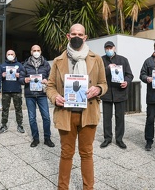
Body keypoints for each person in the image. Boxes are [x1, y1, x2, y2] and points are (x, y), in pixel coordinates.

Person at [46, 23, 108, 189]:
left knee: (86, 153)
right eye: (74, 34)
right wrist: (55, 97)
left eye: (80, 34)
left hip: (88, 113)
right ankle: (62, 187)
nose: (77, 37)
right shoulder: (58, 61)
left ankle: (88, 188)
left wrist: (98, 89)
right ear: (68, 36)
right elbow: (50, 86)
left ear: (85, 37)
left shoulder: (97, 59)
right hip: (66, 113)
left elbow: (104, 83)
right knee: (66, 153)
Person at [19, 45, 54, 148]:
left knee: (46, 117)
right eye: (34, 50)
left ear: (41, 51)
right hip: (30, 94)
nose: (36, 52)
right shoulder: (25, 65)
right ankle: (35, 139)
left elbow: (51, 77)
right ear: (31, 52)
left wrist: (47, 81)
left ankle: (47, 138)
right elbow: (20, 79)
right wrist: (24, 80)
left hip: (42, 94)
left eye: (38, 50)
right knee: (32, 118)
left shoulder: (46, 64)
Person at [100, 41, 133, 149]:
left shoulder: (123, 60)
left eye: (111, 48)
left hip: (120, 92)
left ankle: (119, 139)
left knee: (120, 117)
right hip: (107, 93)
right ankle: (107, 138)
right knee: (107, 117)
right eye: (107, 48)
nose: (109, 50)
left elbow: (129, 75)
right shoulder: (101, 60)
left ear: (114, 48)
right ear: (105, 49)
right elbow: (98, 75)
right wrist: (108, 68)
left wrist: (126, 82)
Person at [0, 49, 25, 134]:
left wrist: (19, 75)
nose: (10, 55)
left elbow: (24, 76)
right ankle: (3, 125)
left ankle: (20, 125)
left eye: (11, 54)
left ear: (14, 55)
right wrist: (2, 76)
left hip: (17, 90)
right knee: (5, 109)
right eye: (8, 54)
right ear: (6, 55)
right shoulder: (2, 66)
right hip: (6, 91)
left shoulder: (19, 65)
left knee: (18, 109)